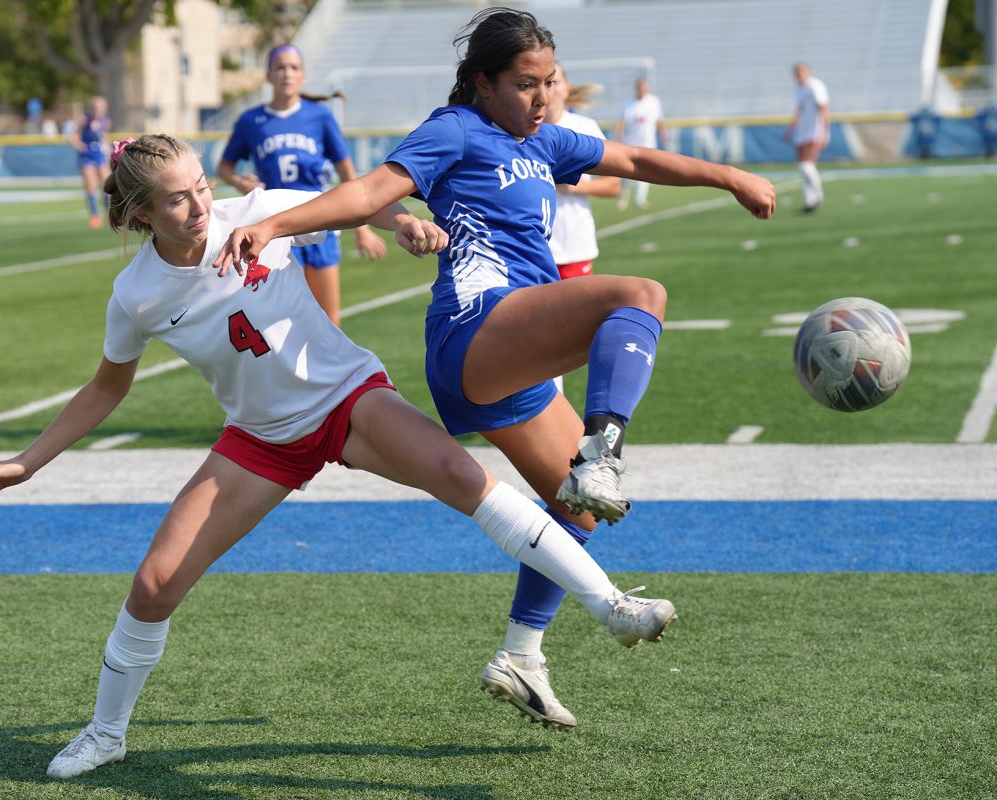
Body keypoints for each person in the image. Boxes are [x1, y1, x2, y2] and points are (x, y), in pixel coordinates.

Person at [0, 133, 685, 779]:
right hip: (259, 438)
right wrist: (27, 463)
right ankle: (105, 734)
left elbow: (355, 201)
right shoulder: (136, 296)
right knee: (154, 585)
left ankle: (612, 605)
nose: (197, 205)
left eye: (201, 188)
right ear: (140, 213)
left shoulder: (258, 213)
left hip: (349, 399)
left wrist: (400, 220)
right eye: (176, 199)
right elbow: (104, 389)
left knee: (466, 479)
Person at [216, 7, 775, 729]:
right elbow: (368, 193)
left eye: (547, 83)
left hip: (514, 357)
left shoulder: (540, 142)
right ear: (482, 82)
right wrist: (271, 224)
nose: (540, 99)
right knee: (640, 297)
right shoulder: (454, 130)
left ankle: (522, 656)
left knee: (574, 511)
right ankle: (601, 453)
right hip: (472, 330)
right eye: (523, 84)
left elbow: (632, 161)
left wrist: (727, 175)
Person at [218, 44, 387, 326]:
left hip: (321, 221)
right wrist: (240, 183)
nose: (287, 73)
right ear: (268, 75)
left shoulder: (320, 117)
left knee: (328, 319)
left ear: (303, 76)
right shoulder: (251, 121)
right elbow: (225, 168)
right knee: (278, 321)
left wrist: (362, 228)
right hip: (275, 228)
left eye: (294, 67)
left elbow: (348, 173)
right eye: (280, 67)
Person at [546, 63, 620, 281]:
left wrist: (576, 185)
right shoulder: (519, 129)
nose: (549, 88)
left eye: (554, 82)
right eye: (543, 82)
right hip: (532, 249)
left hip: (573, 247)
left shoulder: (583, 128)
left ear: (567, 88)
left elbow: (614, 185)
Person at [784, 62, 829, 213]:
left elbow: (823, 109)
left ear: (808, 72)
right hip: (802, 133)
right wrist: (791, 129)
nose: (799, 75)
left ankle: (818, 197)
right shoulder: (798, 88)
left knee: (806, 166)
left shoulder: (815, 86)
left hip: (814, 132)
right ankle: (809, 200)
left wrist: (825, 132)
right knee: (804, 168)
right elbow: (800, 110)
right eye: (796, 73)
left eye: (801, 72)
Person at [614, 77, 665, 210]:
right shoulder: (628, 104)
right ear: (636, 88)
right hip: (630, 144)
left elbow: (659, 120)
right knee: (626, 172)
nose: (642, 90)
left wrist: (663, 133)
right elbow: (621, 122)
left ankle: (640, 199)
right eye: (640, 87)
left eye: (644, 87)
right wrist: (619, 136)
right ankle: (623, 198)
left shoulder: (653, 102)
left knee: (646, 173)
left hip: (648, 144)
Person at [70, 95, 112, 229]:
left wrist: (106, 149)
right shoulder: (84, 120)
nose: (97, 110)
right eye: (95, 107)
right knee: (91, 185)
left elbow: (103, 137)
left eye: (100, 107)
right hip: (86, 155)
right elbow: (73, 135)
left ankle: (110, 213)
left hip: (99, 154)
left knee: (106, 185)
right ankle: (95, 215)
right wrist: (79, 145)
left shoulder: (105, 122)